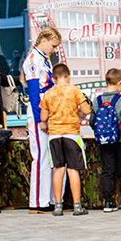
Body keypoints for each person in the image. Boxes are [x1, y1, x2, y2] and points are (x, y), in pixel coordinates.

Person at [39, 63, 91, 217]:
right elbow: (86, 110)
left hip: (54, 135)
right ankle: (77, 206)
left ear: (53, 79)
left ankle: (58, 206)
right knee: (72, 169)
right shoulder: (74, 90)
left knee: (58, 169)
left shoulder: (48, 93)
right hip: (71, 134)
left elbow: (43, 117)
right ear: (69, 76)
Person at [23, 27, 62, 213]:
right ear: (44, 40)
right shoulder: (32, 60)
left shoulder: (44, 59)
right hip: (40, 112)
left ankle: (52, 199)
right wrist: (41, 119)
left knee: (50, 156)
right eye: (53, 45)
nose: (54, 50)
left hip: (49, 109)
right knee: (40, 157)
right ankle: (38, 201)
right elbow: (33, 93)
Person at [90, 68, 121, 212]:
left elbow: (92, 122)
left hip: (105, 141)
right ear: (120, 83)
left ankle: (108, 202)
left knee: (107, 171)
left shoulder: (97, 101)